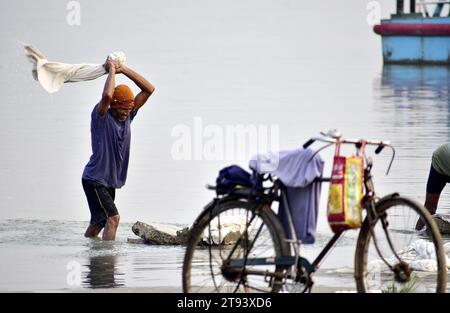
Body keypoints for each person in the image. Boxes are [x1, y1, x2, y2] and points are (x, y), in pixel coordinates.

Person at [82, 59, 155, 240]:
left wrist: (124, 69)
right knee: (113, 218)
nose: (125, 113)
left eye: (128, 109)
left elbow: (149, 89)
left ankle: (88, 249)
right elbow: (107, 96)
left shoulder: (128, 116)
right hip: (95, 179)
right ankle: (107, 261)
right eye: (122, 110)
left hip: (108, 181)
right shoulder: (102, 116)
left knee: (98, 222)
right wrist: (112, 70)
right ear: (113, 107)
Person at [416, 143, 450, 230]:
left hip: (441, 155)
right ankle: (419, 236)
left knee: (429, 207)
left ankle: (418, 234)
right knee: (430, 206)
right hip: (441, 160)